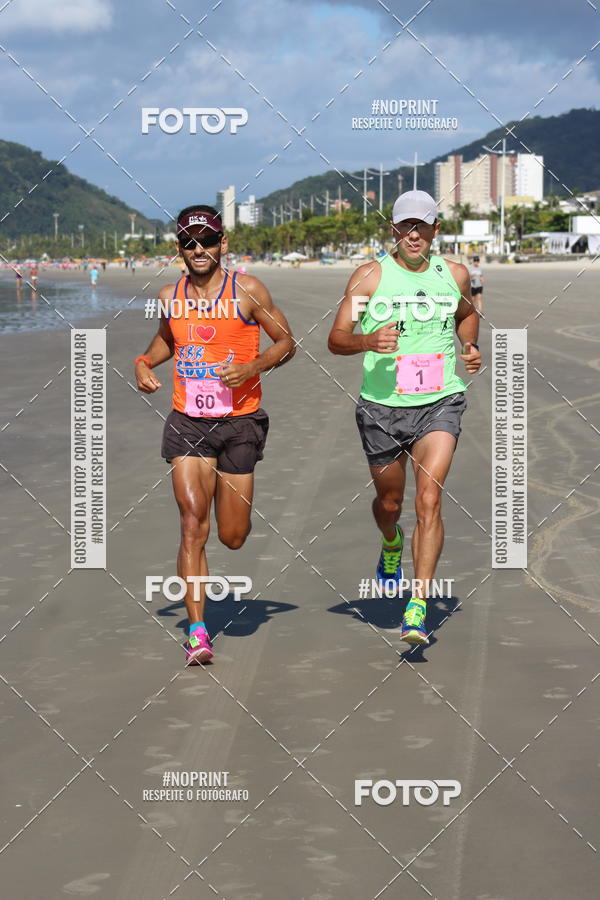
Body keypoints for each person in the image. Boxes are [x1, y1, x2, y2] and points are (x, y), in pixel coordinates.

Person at [134, 205, 295, 665]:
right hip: (187, 421)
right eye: (189, 242)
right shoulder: (171, 294)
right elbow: (168, 339)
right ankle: (198, 632)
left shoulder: (247, 289)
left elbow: (286, 341)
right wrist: (144, 362)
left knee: (233, 535)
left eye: (206, 240)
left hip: (239, 421)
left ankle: (208, 602)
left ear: (223, 243)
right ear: (179, 248)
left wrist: (253, 365)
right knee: (191, 523)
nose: (198, 249)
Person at [327, 190, 481, 646]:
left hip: (440, 402)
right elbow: (336, 338)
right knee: (391, 504)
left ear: (437, 230)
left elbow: (466, 314)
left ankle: (417, 605)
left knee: (429, 500)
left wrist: (469, 349)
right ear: (393, 230)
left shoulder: (454, 274)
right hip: (381, 409)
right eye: (406, 226)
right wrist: (367, 342)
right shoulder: (369, 278)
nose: (414, 234)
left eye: (424, 225)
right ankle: (390, 542)